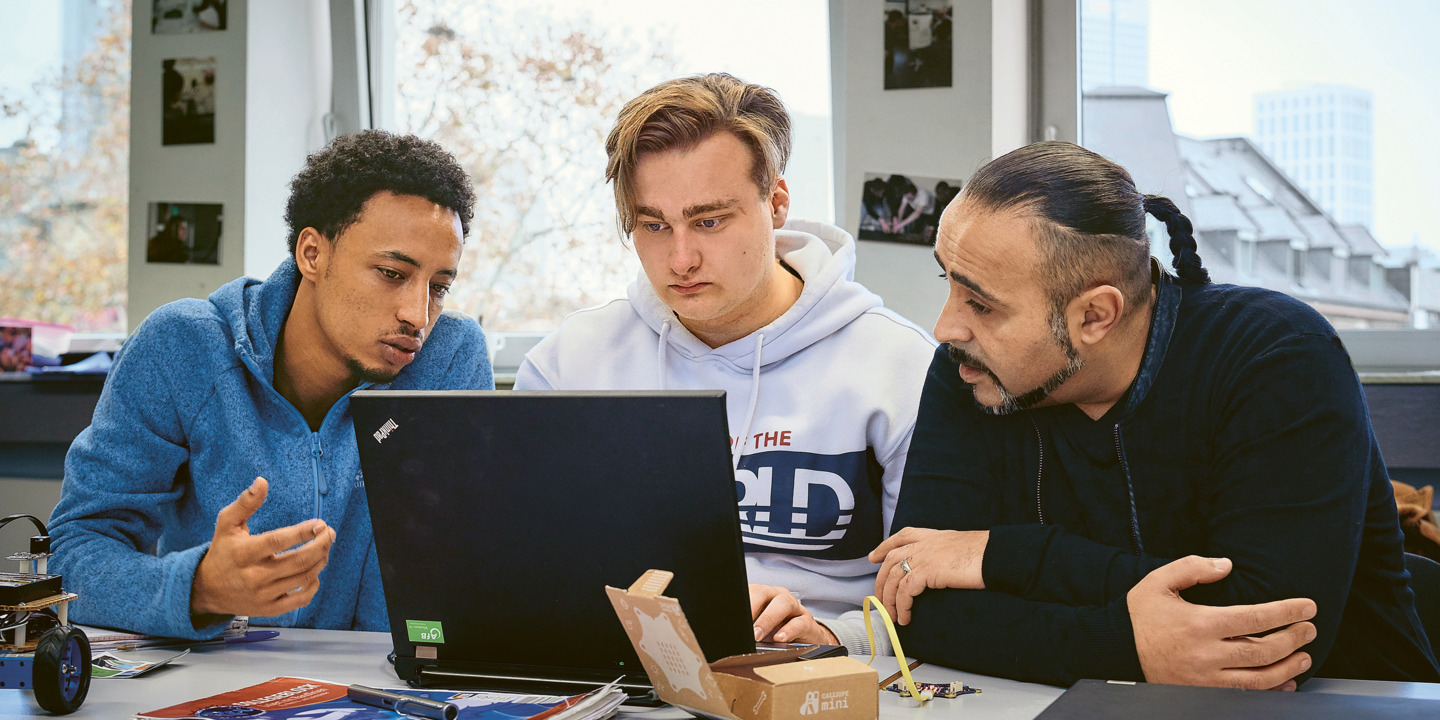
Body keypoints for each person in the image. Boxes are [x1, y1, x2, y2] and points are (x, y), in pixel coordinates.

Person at [870, 141, 1440, 688]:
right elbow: (915, 609)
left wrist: (1000, 556)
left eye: (981, 303)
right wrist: (1129, 646)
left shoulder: (1278, 357)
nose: (946, 328)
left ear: (1095, 315)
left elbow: (1269, 637)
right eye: (948, 281)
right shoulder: (973, 369)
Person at [515, 74, 936, 655]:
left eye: (710, 221)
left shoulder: (900, 367)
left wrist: (831, 636)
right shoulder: (571, 362)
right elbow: (523, 564)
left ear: (777, 204)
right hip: (619, 669)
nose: (681, 258)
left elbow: (931, 598)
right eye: (654, 225)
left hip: (825, 678)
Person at [50, 130, 492, 640]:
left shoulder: (449, 357)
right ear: (312, 253)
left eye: (439, 287)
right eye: (393, 273)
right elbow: (75, 553)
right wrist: (199, 589)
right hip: (215, 682)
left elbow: (448, 567)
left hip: (383, 688)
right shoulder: (184, 347)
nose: (418, 315)